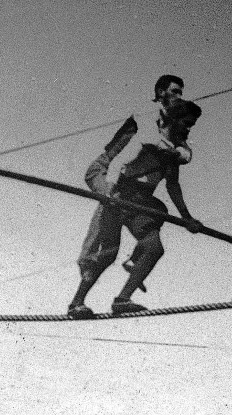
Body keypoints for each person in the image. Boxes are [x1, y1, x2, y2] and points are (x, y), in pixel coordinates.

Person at [68, 94, 205, 319]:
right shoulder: (150, 141)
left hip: (139, 202)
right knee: (108, 254)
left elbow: (173, 185)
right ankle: (76, 303)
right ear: (172, 120)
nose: (189, 130)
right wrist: (110, 193)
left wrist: (187, 218)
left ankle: (122, 299)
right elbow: (118, 167)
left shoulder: (173, 151)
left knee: (154, 247)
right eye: (186, 124)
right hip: (121, 197)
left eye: (191, 125)